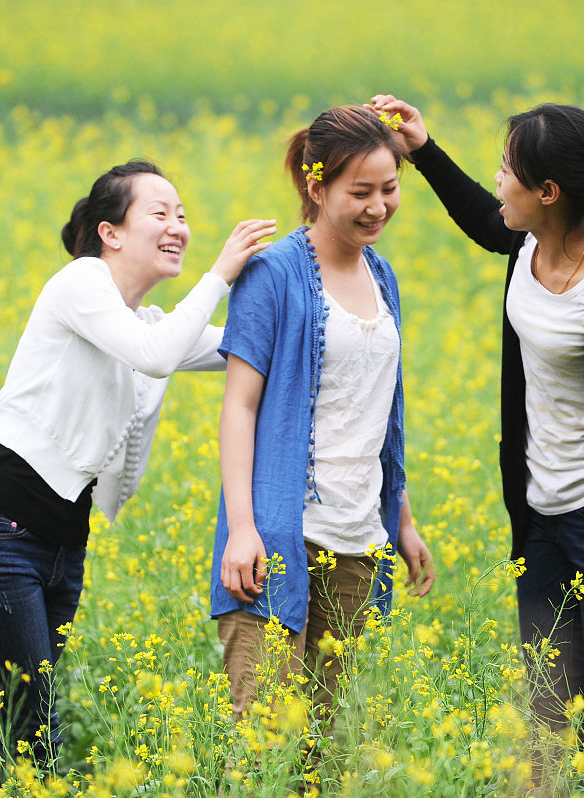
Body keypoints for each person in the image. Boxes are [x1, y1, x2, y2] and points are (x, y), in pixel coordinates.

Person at [368, 95, 584, 750]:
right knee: (548, 707)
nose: (497, 179)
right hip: (536, 511)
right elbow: (480, 215)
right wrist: (422, 145)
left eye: (506, 170)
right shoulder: (524, 242)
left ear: (548, 192)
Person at [0, 160, 276, 793]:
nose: (178, 226)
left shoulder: (144, 323)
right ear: (109, 231)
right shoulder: (80, 283)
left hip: (59, 550)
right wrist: (222, 271)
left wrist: (295, 292)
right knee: (34, 729)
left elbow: (236, 348)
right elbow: (158, 356)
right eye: (160, 213)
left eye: (182, 215)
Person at [211, 106, 435, 722]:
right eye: (359, 192)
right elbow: (239, 405)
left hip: (360, 537)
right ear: (317, 188)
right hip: (280, 536)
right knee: (267, 743)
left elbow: (379, 407)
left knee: (328, 751)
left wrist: (403, 518)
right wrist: (242, 528)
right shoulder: (272, 274)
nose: (379, 206)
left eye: (389, 189)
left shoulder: (382, 275)